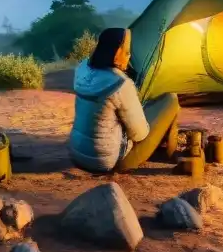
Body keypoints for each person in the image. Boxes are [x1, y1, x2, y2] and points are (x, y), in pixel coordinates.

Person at [69, 27, 180, 174]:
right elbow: (139, 134)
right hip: (106, 161)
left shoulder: (82, 69)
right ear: (116, 54)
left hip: (77, 153)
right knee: (171, 100)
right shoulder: (120, 83)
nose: (129, 57)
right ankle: (171, 151)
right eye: (127, 52)